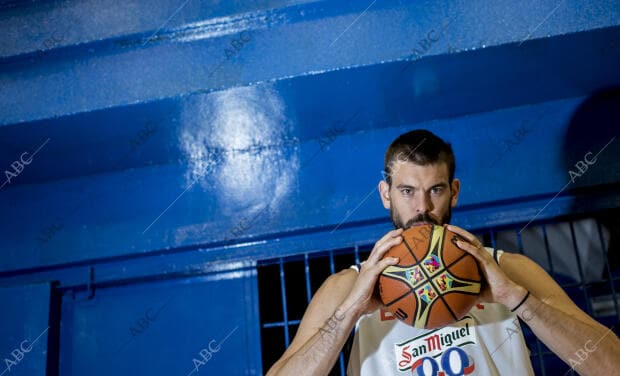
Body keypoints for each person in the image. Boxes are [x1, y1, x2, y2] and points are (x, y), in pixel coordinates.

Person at [266, 129, 620, 375]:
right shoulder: (349, 287)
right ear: (385, 194)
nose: (422, 207)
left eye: (435, 190)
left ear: (454, 191)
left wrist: (518, 300)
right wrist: (348, 315)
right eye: (407, 191)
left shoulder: (507, 269)